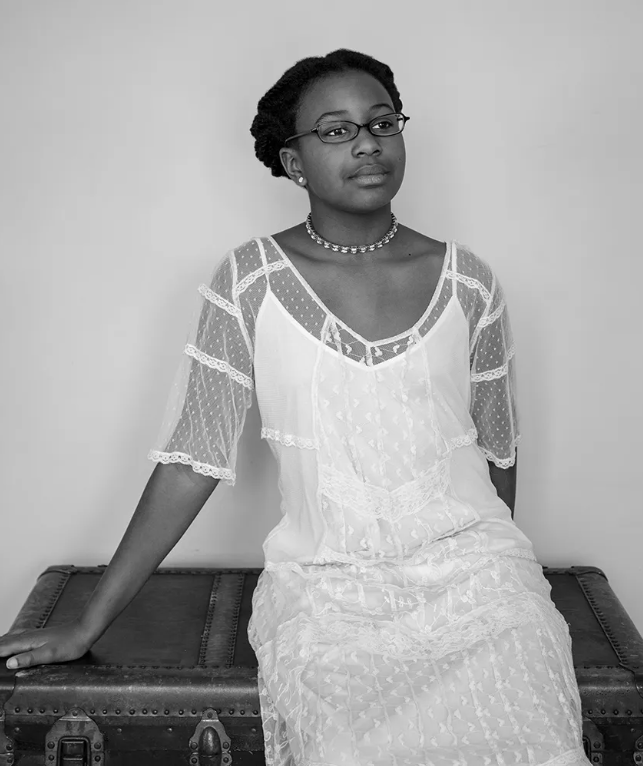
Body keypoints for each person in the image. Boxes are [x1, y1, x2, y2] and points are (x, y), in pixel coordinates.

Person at [0, 49, 590, 766]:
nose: (368, 142)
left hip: (479, 586)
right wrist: (87, 623)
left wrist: (500, 583)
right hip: (327, 592)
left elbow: (498, 452)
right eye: (336, 130)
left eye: (381, 122)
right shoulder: (249, 281)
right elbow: (193, 461)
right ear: (293, 161)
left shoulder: (467, 281)